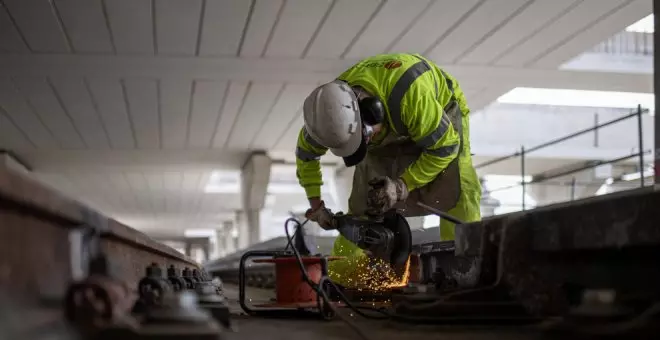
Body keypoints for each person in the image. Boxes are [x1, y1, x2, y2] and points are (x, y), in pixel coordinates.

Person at [295, 53, 481, 287]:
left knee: (458, 191)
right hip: (391, 122)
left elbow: (445, 148)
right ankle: (342, 278)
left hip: (440, 112)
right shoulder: (326, 120)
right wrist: (316, 207)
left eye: (364, 139)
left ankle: (465, 273)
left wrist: (403, 186)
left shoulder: (412, 98)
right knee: (365, 202)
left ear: (372, 111)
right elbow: (306, 158)